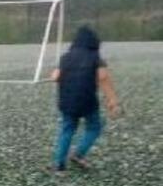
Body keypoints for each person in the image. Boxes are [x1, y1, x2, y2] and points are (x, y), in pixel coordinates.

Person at [50, 26, 121, 173]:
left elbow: (55, 77)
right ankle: (78, 153)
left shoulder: (65, 57)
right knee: (94, 127)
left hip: (67, 102)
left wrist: (58, 74)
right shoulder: (96, 58)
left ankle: (59, 164)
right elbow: (103, 78)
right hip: (87, 101)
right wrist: (113, 101)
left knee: (67, 129)